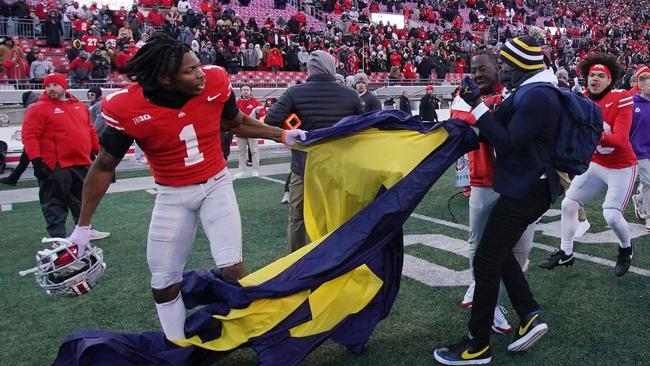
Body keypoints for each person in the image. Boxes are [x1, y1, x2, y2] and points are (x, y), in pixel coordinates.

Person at [67, 33, 305, 342]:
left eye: (198, 65)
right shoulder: (127, 107)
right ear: (165, 79)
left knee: (231, 266)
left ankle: (267, 330)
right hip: (172, 194)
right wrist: (83, 226)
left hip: (216, 185)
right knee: (164, 282)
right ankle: (177, 346)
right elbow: (103, 166)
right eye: (190, 70)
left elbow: (237, 123)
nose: (201, 73)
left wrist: (282, 135)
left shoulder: (216, 81)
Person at [435, 35, 561, 365]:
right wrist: (476, 107)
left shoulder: (538, 96)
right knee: (496, 252)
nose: (503, 70)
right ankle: (529, 314)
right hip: (523, 186)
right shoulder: (532, 91)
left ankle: (478, 345)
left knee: (488, 260)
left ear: (520, 65)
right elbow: (490, 125)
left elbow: (506, 143)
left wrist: (476, 105)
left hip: (526, 188)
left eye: (506, 64)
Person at [457, 49, 537, 336]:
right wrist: (485, 112)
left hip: (518, 183)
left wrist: (483, 112)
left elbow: (501, 128)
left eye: (483, 69)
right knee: (478, 244)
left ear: (498, 67)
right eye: (473, 69)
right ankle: (489, 302)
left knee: (520, 250)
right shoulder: (466, 92)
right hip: (483, 179)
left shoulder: (516, 92)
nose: (477, 74)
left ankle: (496, 304)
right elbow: (459, 120)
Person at [539, 54, 637, 277]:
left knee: (611, 214)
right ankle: (566, 251)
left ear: (610, 79)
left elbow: (621, 140)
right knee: (569, 203)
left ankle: (626, 248)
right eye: (592, 75)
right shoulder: (582, 98)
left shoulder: (620, 98)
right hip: (596, 164)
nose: (595, 79)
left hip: (621, 166)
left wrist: (591, 134)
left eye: (601, 75)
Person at [265, 50, 363, 252]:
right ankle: (333, 258)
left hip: (304, 164)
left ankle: (295, 262)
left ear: (309, 69)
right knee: (335, 213)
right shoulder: (350, 94)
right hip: (338, 165)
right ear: (332, 67)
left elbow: (270, 120)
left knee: (297, 216)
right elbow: (364, 128)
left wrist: (293, 129)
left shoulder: (295, 92)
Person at [21, 74, 110, 241]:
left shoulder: (79, 106)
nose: (51, 88)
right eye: (48, 86)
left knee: (82, 199)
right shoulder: (37, 108)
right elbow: (30, 136)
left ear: (64, 86)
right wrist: (36, 160)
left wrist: (98, 151)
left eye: (55, 85)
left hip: (81, 160)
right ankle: (58, 237)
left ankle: (84, 230)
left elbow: (89, 129)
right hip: (55, 163)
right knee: (54, 202)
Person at [0, 91, 39, 186]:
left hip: (36, 138)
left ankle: (14, 177)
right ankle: (14, 177)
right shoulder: (39, 105)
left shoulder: (32, 107)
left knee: (30, 159)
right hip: (37, 137)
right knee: (25, 159)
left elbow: (29, 124)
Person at [631, 70, 650, 226]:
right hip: (639, 151)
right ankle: (649, 217)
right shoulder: (632, 103)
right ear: (641, 86)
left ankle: (639, 200)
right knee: (649, 182)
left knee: (647, 182)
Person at [234, 85, 262, 178]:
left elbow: (261, 116)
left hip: (252, 131)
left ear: (251, 91)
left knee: (254, 151)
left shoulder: (256, 103)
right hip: (240, 131)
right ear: (241, 91)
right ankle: (241, 170)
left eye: (247, 90)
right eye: (244, 90)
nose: (245, 91)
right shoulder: (236, 103)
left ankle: (255, 169)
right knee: (242, 152)